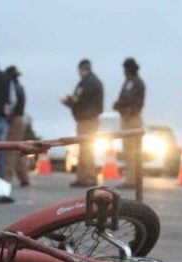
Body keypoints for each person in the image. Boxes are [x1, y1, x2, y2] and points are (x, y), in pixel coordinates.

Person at [61, 59, 103, 187]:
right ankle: (83, 177)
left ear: (82, 69)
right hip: (88, 119)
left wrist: (68, 101)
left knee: (86, 149)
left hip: (87, 120)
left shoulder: (87, 83)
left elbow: (79, 99)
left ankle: (88, 178)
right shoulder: (94, 81)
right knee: (84, 149)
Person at [113, 57, 145, 189]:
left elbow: (129, 100)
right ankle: (132, 179)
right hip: (128, 117)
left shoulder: (134, 82)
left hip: (131, 118)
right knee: (130, 151)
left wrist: (119, 105)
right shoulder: (132, 82)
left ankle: (132, 180)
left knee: (131, 151)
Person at [4, 65, 30, 186]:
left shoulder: (12, 88)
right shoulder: (20, 87)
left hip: (14, 120)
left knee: (10, 149)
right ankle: (23, 177)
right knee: (18, 148)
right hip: (21, 119)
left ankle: (6, 178)